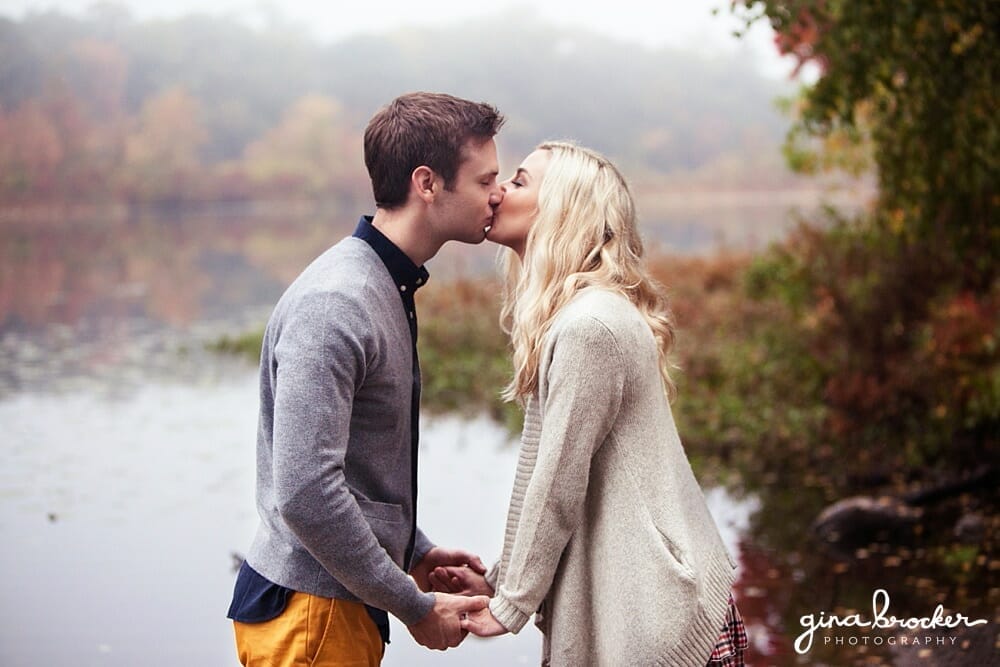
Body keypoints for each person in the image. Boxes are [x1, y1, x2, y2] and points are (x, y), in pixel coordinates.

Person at [430, 141, 748, 666]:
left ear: (562, 210)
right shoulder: (578, 317)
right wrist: (499, 581)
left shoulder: (588, 327)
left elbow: (558, 483)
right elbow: (547, 477)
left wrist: (509, 608)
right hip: (644, 605)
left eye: (520, 181)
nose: (500, 191)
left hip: (659, 616)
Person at [226, 92, 505, 666]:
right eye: (485, 181)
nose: (497, 195)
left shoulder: (382, 283)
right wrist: (415, 605)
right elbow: (306, 493)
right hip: (311, 616)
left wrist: (414, 550)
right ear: (427, 183)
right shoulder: (339, 301)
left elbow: (351, 470)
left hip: (328, 606)